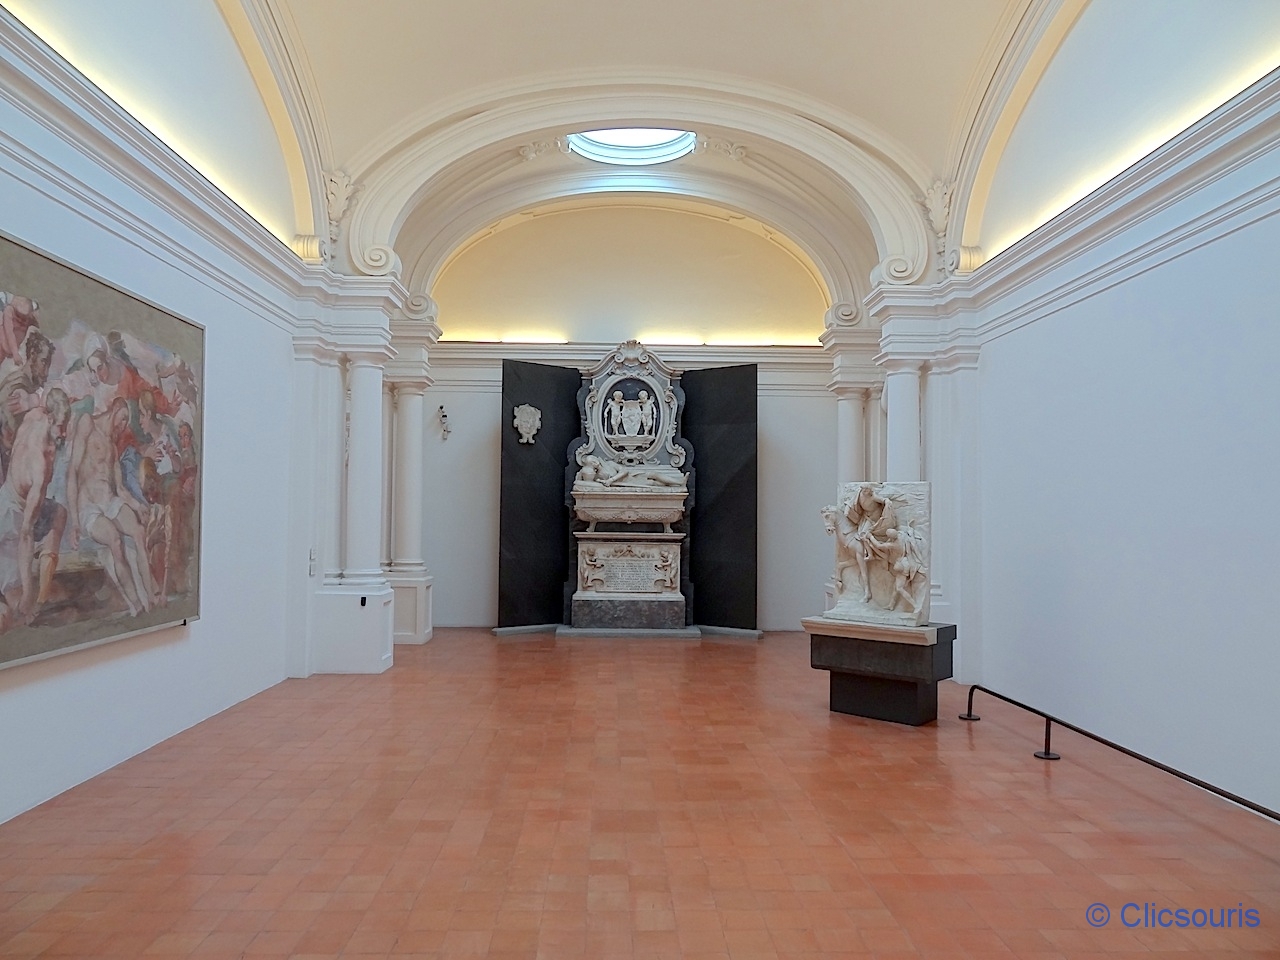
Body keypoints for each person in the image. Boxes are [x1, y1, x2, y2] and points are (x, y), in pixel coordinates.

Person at [66, 397, 158, 617]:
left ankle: (152, 597)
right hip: (89, 507)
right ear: (115, 408)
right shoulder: (87, 423)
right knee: (115, 541)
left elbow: (121, 490)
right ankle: (137, 605)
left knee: (139, 532)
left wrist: (138, 506)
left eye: (127, 422)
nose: (123, 425)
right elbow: (72, 472)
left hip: (109, 501)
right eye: (123, 418)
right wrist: (75, 522)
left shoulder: (112, 446)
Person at [0, 388, 70, 630]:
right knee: (17, 604)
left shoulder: (35, 414)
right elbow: (26, 532)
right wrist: (27, 593)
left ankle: (41, 594)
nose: (64, 432)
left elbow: (51, 396)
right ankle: (32, 598)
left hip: (17, 505)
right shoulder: (40, 467)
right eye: (60, 426)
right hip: (11, 520)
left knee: (59, 512)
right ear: (50, 418)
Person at [574, 454, 684, 487]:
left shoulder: (610, 464)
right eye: (591, 463)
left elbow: (624, 470)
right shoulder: (597, 476)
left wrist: (611, 480)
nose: (594, 462)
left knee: (654, 474)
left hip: (631, 475)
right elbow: (585, 482)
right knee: (653, 483)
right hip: (627, 483)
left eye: (594, 459)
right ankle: (676, 485)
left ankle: (679, 482)